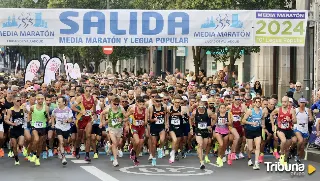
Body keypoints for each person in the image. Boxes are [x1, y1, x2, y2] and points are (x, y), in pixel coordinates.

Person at [72, 85, 97, 162]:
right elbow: (72, 107)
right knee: (79, 137)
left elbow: (94, 109)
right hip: (80, 119)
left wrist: (93, 113)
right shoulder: (80, 98)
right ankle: (76, 150)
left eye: (90, 91)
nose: (88, 92)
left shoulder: (94, 99)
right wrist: (80, 111)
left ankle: (87, 155)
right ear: (84, 91)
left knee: (88, 136)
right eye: (87, 91)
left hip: (88, 119)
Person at [270, 96, 297, 166]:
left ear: (288, 102)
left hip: (288, 130)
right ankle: (281, 154)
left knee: (287, 148)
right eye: (282, 102)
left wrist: (290, 120)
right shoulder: (278, 110)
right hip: (280, 129)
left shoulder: (291, 110)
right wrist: (273, 125)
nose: (283, 103)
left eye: (285, 102)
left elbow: (295, 121)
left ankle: (285, 158)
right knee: (283, 140)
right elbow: (271, 114)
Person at [242, 97, 265, 170]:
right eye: (256, 101)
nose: (258, 103)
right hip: (249, 130)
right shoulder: (250, 111)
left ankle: (256, 163)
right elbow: (243, 120)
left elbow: (262, 118)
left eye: (259, 101)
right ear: (254, 103)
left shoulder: (262, 111)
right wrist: (251, 122)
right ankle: (249, 158)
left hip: (257, 130)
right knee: (251, 148)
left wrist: (262, 125)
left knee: (258, 146)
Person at [101, 97, 125, 167]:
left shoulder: (121, 109)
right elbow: (102, 114)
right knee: (114, 142)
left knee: (116, 144)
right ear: (111, 103)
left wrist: (122, 119)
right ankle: (115, 160)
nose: (116, 106)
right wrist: (102, 122)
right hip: (111, 128)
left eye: (117, 104)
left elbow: (126, 117)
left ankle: (109, 147)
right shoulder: (109, 109)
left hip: (119, 129)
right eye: (115, 104)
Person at [190, 101, 214, 169]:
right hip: (198, 130)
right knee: (200, 144)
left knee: (204, 146)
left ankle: (200, 152)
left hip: (206, 131)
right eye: (199, 107)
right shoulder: (195, 112)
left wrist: (211, 125)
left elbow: (215, 118)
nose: (201, 109)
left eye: (202, 107)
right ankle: (201, 162)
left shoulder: (208, 112)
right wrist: (192, 127)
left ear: (205, 107)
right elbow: (190, 119)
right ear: (198, 107)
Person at [27, 94, 50, 166]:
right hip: (34, 126)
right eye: (39, 99)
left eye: (42, 99)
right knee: (36, 139)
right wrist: (29, 121)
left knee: (40, 144)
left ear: (43, 99)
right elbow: (29, 114)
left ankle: (37, 158)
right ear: (36, 100)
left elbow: (48, 118)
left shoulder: (46, 108)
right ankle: (33, 154)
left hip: (43, 126)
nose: (40, 100)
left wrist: (46, 116)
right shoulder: (33, 107)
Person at [51, 97, 74, 165]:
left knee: (65, 142)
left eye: (59, 102)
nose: (58, 103)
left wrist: (67, 121)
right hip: (58, 127)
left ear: (64, 102)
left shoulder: (68, 110)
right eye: (57, 102)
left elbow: (71, 119)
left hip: (66, 128)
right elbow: (52, 116)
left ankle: (60, 150)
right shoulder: (55, 110)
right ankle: (63, 157)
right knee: (61, 141)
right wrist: (53, 124)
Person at [5, 95, 26, 165]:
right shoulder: (10, 110)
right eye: (17, 101)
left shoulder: (23, 109)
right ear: (13, 101)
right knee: (14, 145)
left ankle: (21, 148)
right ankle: (16, 158)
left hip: (21, 129)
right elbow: (6, 120)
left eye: (20, 100)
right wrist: (12, 123)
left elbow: (29, 115)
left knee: (20, 143)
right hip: (13, 129)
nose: (19, 102)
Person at [126, 97, 148, 166]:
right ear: (137, 104)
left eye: (143, 104)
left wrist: (143, 122)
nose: (142, 106)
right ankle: (133, 150)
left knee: (140, 144)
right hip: (134, 127)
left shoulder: (145, 110)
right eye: (140, 104)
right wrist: (128, 123)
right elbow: (126, 116)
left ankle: (135, 157)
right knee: (137, 141)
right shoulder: (133, 109)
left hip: (141, 128)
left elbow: (146, 121)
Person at [148, 95, 167, 166]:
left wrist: (166, 123)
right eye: (157, 101)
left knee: (162, 140)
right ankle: (153, 158)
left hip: (161, 126)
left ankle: (160, 149)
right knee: (153, 144)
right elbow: (149, 119)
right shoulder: (151, 108)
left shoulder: (164, 107)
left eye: (160, 101)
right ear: (154, 101)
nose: (158, 103)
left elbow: (165, 115)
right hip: (154, 127)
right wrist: (153, 119)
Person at [292, 97, 313, 163]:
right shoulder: (295, 110)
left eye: (304, 102)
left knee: (302, 147)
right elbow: (293, 119)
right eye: (301, 102)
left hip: (305, 129)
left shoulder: (308, 110)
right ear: (298, 103)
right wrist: (293, 120)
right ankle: (295, 151)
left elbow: (311, 118)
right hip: (297, 127)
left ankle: (298, 158)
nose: (302, 104)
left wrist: (310, 119)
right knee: (300, 140)